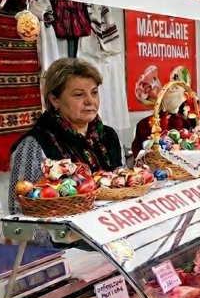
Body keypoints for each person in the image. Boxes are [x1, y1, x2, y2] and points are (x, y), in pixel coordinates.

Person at [9, 58, 123, 212]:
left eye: (94, 92)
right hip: (63, 234)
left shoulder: (108, 136)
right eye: (78, 95)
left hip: (114, 225)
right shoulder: (35, 143)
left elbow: (122, 184)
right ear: (55, 99)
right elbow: (20, 208)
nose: (90, 101)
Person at [131, 85, 189, 158]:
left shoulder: (184, 122)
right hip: (153, 164)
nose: (185, 108)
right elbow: (140, 150)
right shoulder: (147, 123)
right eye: (183, 104)